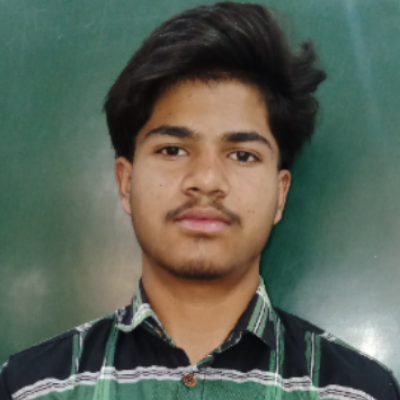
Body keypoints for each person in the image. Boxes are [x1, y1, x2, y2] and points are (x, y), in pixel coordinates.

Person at [1, 2, 399, 399]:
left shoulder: (357, 392)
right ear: (126, 182)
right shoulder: (28, 389)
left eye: (242, 155)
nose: (206, 180)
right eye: (173, 150)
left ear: (280, 194)